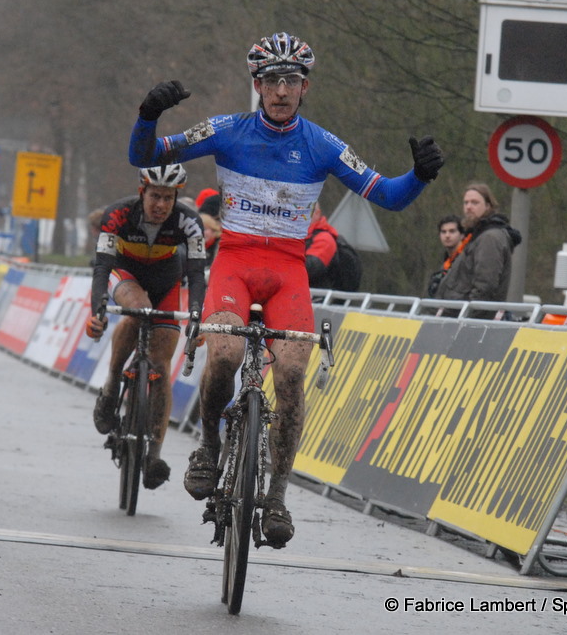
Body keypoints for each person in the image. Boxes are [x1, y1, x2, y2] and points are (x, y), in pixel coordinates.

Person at [128, 32, 443, 548]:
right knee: (225, 354)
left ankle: (275, 496)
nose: (280, 91)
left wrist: (419, 177)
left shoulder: (322, 144)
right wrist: (147, 115)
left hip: (288, 271)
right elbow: (146, 155)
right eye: (271, 81)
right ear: (257, 85)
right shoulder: (227, 130)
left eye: (291, 81)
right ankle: (208, 449)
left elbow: (388, 195)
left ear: (305, 88)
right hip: (235, 262)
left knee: (293, 373)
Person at [86, 164, 207, 491]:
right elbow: (102, 267)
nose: (161, 205)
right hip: (126, 275)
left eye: (169, 197)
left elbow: (197, 274)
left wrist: (196, 313)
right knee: (138, 307)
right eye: (156, 196)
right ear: (143, 192)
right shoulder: (118, 215)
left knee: (162, 360)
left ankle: (153, 455)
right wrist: (98, 309)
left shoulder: (189, 222)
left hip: (167, 280)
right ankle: (112, 386)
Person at [434, 184, 522, 306]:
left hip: (468, 319)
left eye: (474, 203)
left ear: (488, 206)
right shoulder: (476, 235)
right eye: (466, 203)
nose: (468, 207)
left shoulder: (489, 238)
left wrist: (468, 315)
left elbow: (485, 286)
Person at [426, 214, 465, 297]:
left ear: (462, 235)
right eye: (443, 232)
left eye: (452, 231)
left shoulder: (467, 258)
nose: (447, 236)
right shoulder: (446, 262)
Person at [304, 203, 340, 289]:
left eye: (305, 211)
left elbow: (311, 269)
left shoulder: (325, 239)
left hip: (316, 298)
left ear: (317, 213)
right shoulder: (296, 236)